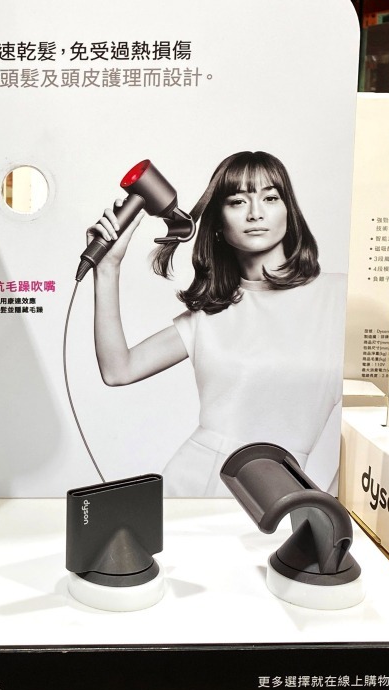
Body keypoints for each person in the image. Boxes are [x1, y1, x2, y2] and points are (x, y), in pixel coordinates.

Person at [90, 150, 345, 497]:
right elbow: (118, 370)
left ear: (290, 211)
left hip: (278, 495)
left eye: (270, 198)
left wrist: (334, 505)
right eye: (238, 201)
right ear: (219, 224)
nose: (255, 213)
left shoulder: (339, 297)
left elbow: (372, 421)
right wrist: (108, 268)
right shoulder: (211, 314)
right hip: (187, 488)